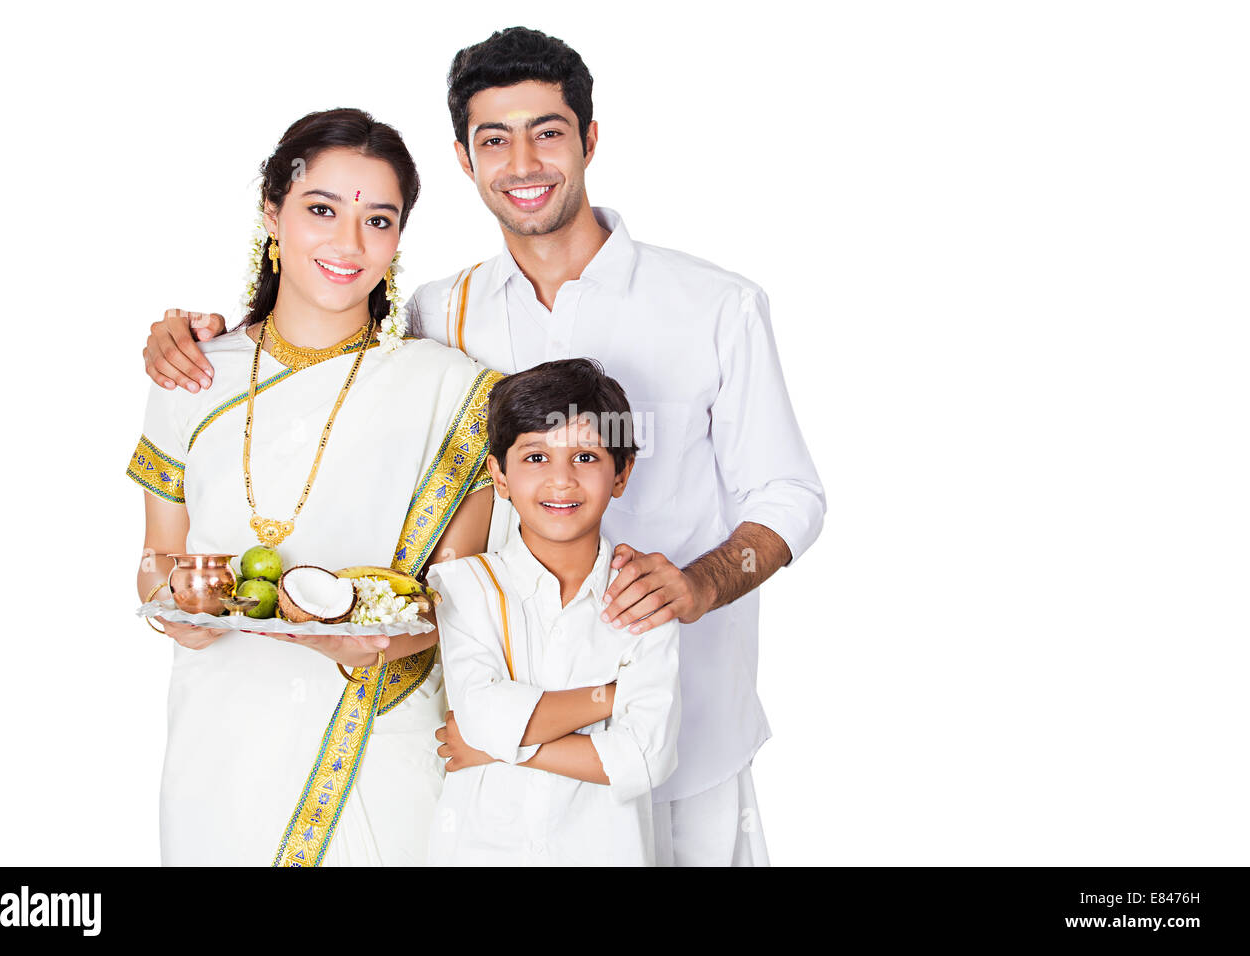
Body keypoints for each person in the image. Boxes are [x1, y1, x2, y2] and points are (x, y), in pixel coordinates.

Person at [141, 27, 825, 867]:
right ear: (466, 161)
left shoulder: (713, 306)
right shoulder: (446, 314)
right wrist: (197, 340)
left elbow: (789, 496)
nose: (524, 162)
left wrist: (697, 585)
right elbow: (327, 360)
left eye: (548, 132)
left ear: (590, 140)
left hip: (679, 725)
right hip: (495, 738)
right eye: (494, 140)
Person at [131, 108, 499, 866]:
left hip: (379, 744)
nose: (348, 243)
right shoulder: (192, 375)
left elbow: (466, 597)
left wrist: (392, 636)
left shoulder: (450, 389)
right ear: (273, 212)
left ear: (399, 240)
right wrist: (178, 613)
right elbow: (155, 559)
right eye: (321, 210)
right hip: (221, 749)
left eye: (378, 219)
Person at [426, 358, 680, 865]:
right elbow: (479, 715)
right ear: (499, 474)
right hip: (483, 850)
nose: (561, 481)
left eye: (585, 457)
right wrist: (612, 697)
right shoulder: (465, 586)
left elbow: (648, 757)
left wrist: (499, 745)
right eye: (536, 458)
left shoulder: (644, 596)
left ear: (622, 473)